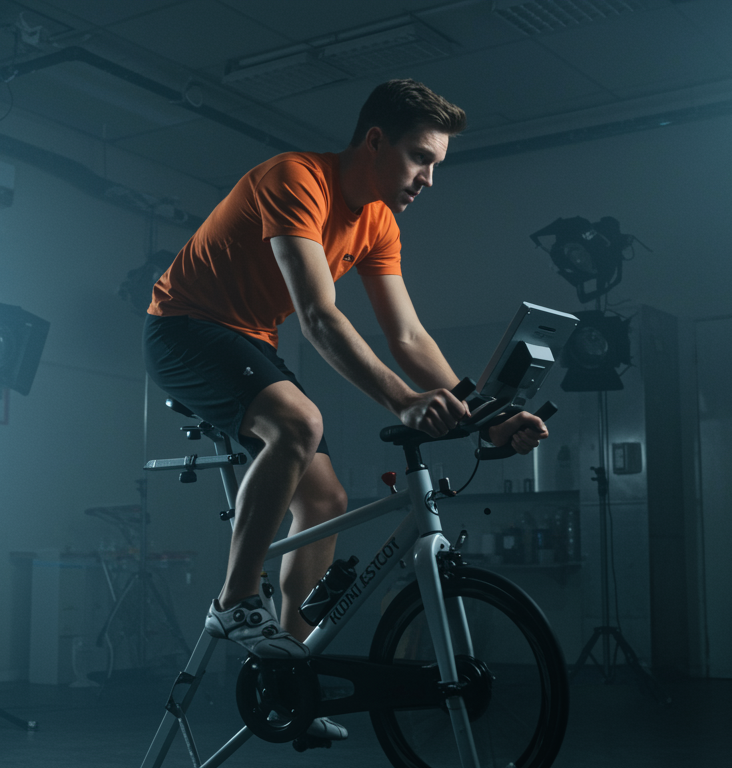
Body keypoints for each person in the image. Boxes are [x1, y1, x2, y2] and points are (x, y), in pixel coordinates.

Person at [142, 79, 549, 740]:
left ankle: (288, 677)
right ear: (374, 140)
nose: (430, 179)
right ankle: (236, 599)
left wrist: (489, 415)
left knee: (326, 500)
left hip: (249, 339)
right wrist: (404, 400)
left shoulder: (380, 221)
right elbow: (319, 317)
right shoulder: (296, 179)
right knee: (300, 422)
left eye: (438, 165)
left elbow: (410, 337)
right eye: (421, 157)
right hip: (184, 328)